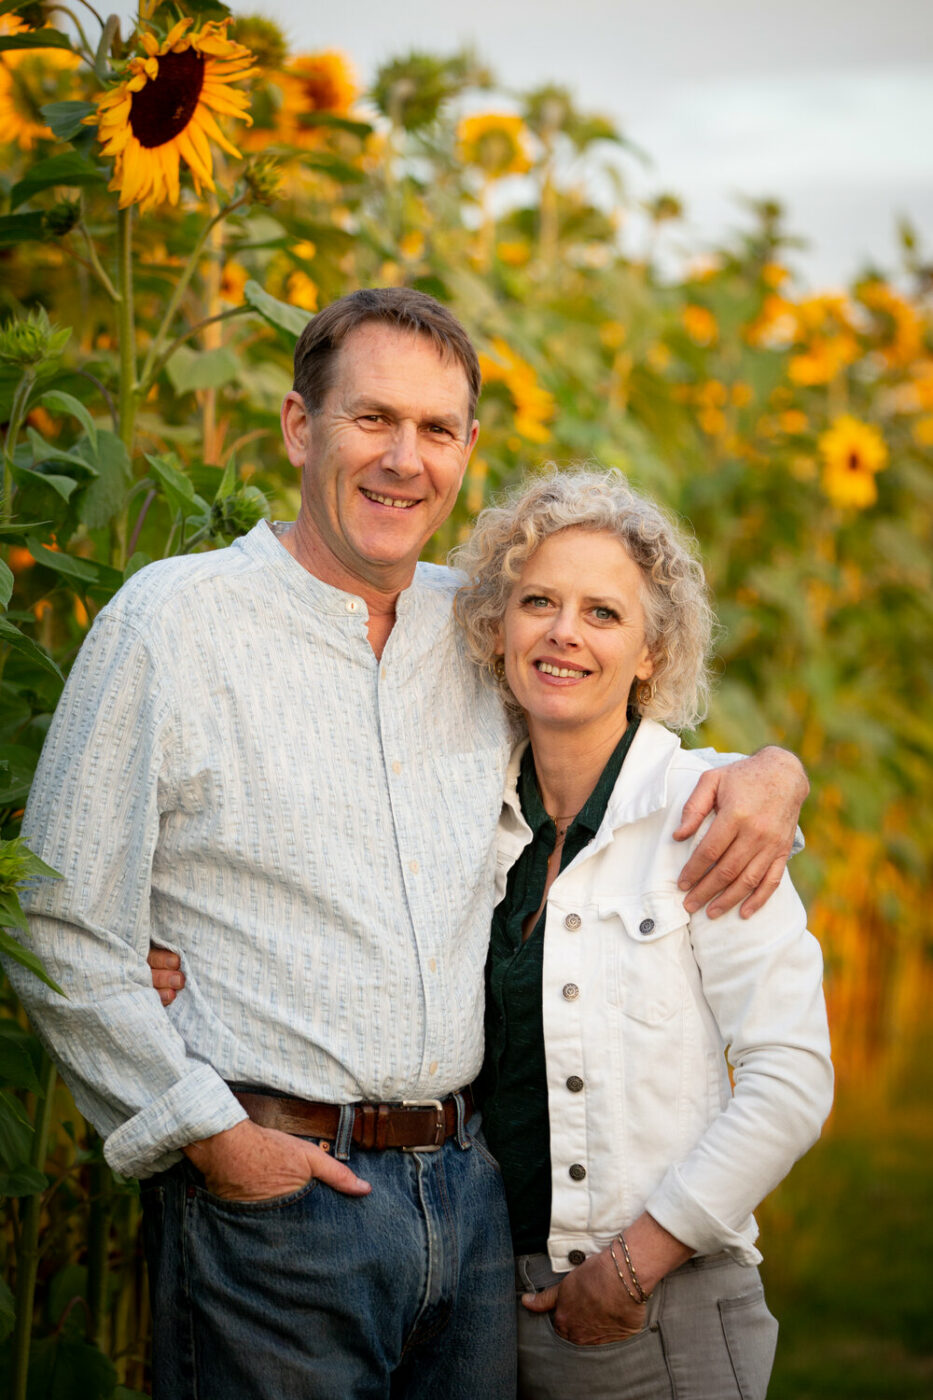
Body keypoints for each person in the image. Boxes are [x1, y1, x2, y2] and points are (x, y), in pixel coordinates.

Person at [8, 288, 809, 1400]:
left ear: (468, 448)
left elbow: (624, 747)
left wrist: (774, 774)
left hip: (472, 1207)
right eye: (371, 419)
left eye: (436, 429)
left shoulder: (479, 628)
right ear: (299, 426)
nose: (404, 459)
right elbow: (57, 917)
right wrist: (214, 1139)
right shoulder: (170, 623)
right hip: (280, 1205)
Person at [450, 468, 833, 1399]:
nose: (562, 634)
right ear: (497, 626)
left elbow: (791, 1079)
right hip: (485, 1316)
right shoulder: (471, 819)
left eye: (602, 614)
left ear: (652, 651)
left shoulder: (709, 817)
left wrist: (626, 1273)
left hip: (661, 1313)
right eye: (536, 601)